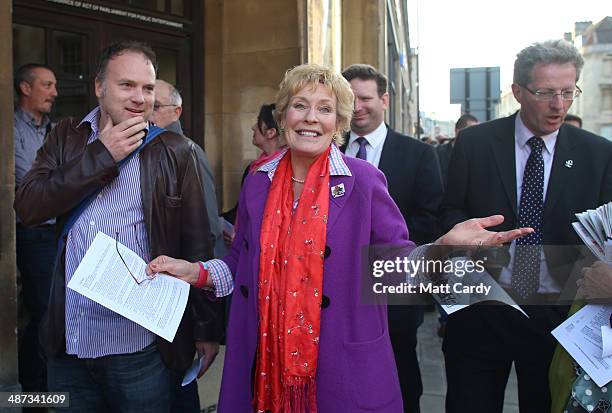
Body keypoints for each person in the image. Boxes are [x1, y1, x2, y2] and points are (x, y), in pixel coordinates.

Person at [147, 63, 532, 413]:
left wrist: (444, 249)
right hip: (263, 361)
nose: (311, 118)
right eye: (300, 105)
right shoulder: (258, 180)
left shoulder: (362, 180)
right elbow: (240, 263)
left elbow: (394, 271)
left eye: (325, 109)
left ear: (339, 122)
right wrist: (196, 272)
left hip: (340, 362)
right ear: (283, 116)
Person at [14, 41, 223, 412]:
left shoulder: (177, 151)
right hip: (69, 341)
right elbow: (29, 206)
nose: (139, 98)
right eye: (127, 85)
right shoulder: (67, 136)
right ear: (99, 87)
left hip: (138, 345)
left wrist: (205, 328)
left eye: (147, 88)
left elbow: (200, 244)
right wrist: (101, 156)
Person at [442, 39, 612, 413]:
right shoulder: (474, 144)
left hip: (558, 323)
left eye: (568, 92)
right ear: (518, 91)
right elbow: (450, 213)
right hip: (481, 311)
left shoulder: (597, 155)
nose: (559, 104)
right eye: (546, 92)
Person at [340, 63, 444, 413]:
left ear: (384, 99)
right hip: (337, 287)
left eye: (366, 98)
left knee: (399, 370)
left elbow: (428, 219)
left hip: (395, 287)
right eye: (349, 99)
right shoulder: (328, 149)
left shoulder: (418, 154)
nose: (357, 107)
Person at [13, 63, 58, 394]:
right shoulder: (10, 128)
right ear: (25, 88)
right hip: (34, 233)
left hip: (61, 230)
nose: (55, 92)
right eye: (47, 85)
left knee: (61, 308)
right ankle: (35, 390)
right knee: (42, 311)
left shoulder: (56, 129)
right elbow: (28, 182)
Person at [150, 79, 222, 258]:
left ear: (177, 112)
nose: (147, 114)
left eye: (156, 106)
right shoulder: (143, 147)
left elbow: (207, 227)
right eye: (145, 105)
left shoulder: (188, 151)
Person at [436, 113, 479, 188]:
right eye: (473, 132)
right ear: (458, 131)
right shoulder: (438, 154)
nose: (476, 137)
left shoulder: (479, 155)